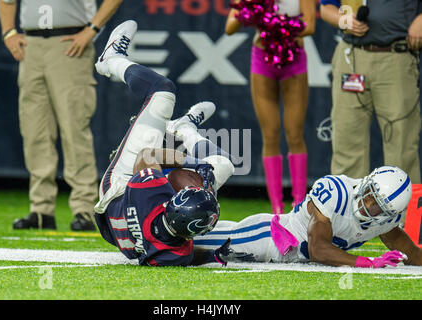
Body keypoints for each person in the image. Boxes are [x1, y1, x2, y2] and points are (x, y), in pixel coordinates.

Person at [92, 20, 253, 266]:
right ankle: (185, 128)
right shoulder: (173, 253)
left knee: (162, 91)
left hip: (119, 189)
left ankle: (111, 59)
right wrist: (213, 255)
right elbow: (187, 254)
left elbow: (147, 156)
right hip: (133, 231)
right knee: (224, 165)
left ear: (171, 201)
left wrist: (195, 164)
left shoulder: (148, 191)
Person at [0, 0, 124, 231]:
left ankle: (84, 208)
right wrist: (8, 32)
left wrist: (91, 30)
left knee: (74, 129)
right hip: (31, 45)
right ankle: (41, 209)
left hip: (69, 43)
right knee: (35, 131)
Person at [194, 165, 422, 267]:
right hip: (268, 239)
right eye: (369, 194)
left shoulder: (386, 222)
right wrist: (369, 262)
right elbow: (318, 249)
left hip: (287, 255)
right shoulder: (337, 191)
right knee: (193, 238)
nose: (367, 203)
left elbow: (411, 253)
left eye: (376, 206)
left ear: (388, 215)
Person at [225, 0, 317, 214]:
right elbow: (230, 28)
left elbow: (310, 26)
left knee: (294, 133)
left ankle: (299, 204)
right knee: (271, 133)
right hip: (262, 58)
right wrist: (249, 10)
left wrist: (274, 25)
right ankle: (276, 208)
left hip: (293, 58)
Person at [319, 1, 422, 186]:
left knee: (402, 146)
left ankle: (407, 215)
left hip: (396, 56)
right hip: (350, 56)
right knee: (346, 144)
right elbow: (326, 8)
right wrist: (343, 21)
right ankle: (345, 212)